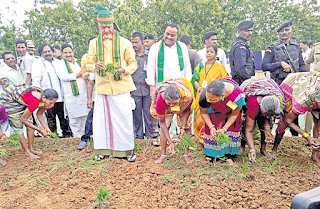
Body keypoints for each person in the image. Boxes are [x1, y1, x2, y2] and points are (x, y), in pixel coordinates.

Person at [86, 5, 137, 162]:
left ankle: (127, 151)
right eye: (103, 27)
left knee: (124, 119)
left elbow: (133, 64)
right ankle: (102, 150)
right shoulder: (94, 43)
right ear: (98, 27)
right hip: (102, 88)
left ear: (113, 25)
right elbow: (87, 64)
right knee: (102, 121)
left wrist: (124, 69)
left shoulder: (125, 43)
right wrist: (95, 67)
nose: (106, 30)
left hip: (122, 87)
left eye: (108, 26)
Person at [146, 24, 192, 143]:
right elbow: (150, 68)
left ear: (177, 35)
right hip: (162, 87)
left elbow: (187, 66)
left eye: (172, 35)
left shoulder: (182, 47)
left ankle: (181, 140)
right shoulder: (155, 47)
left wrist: (188, 85)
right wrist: (151, 87)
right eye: (167, 34)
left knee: (183, 114)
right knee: (165, 116)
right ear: (164, 33)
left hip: (180, 87)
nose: (169, 37)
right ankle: (166, 141)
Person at [271, 72, 320, 166]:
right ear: (316, 102)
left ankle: (314, 155)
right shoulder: (304, 99)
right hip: (292, 87)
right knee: (283, 123)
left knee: (318, 124)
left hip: (311, 85)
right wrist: (306, 136)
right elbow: (288, 121)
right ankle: (274, 149)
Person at [0, 85, 58, 159]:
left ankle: (31, 148)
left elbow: (39, 114)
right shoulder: (35, 101)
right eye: (50, 103)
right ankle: (27, 152)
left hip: (22, 99)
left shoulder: (45, 97)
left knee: (30, 123)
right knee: (18, 127)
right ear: (43, 98)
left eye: (54, 103)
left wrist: (45, 127)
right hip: (9, 100)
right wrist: (40, 130)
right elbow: (23, 120)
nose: (52, 105)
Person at [199, 79, 245, 166]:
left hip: (230, 114)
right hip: (214, 112)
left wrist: (224, 128)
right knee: (214, 134)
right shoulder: (205, 96)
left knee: (229, 132)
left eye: (212, 100)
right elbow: (203, 112)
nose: (208, 101)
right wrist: (211, 126)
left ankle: (229, 156)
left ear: (222, 96)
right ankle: (214, 155)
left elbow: (234, 115)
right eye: (208, 98)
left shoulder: (236, 96)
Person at [239, 77, 286, 161]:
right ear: (261, 108)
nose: (268, 117)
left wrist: (267, 127)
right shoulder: (253, 104)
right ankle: (242, 145)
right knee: (246, 124)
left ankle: (263, 149)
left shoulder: (277, 102)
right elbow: (248, 130)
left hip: (268, 89)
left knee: (265, 127)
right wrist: (252, 149)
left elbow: (268, 117)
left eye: (271, 114)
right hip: (250, 92)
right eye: (267, 114)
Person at [32, 43, 72, 138]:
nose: (47, 53)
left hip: (60, 96)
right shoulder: (38, 63)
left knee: (63, 117)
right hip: (48, 97)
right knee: (51, 117)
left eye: (49, 51)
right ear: (41, 53)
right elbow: (36, 80)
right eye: (44, 52)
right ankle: (52, 136)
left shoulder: (58, 62)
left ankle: (67, 135)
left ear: (52, 51)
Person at [191, 44, 227, 145]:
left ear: (216, 54)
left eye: (211, 52)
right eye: (207, 52)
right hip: (201, 94)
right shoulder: (200, 65)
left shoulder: (219, 66)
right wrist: (198, 88)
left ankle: (213, 137)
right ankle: (200, 138)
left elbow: (224, 80)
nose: (209, 54)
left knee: (213, 115)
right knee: (200, 115)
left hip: (215, 95)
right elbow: (194, 79)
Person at [151, 79, 194, 164]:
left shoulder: (186, 97)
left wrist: (182, 127)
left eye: (174, 103)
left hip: (183, 106)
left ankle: (186, 154)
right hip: (165, 107)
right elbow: (162, 123)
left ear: (179, 98)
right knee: (165, 128)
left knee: (187, 128)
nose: (172, 106)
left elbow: (187, 111)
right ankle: (163, 154)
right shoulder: (160, 100)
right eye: (169, 103)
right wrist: (170, 141)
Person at [58, 44, 88, 138]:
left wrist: (85, 75)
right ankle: (77, 138)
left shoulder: (79, 63)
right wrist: (79, 74)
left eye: (70, 52)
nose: (68, 55)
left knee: (85, 118)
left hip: (84, 95)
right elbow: (64, 77)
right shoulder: (60, 64)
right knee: (74, 120)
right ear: (62, 54)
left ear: (73, 52)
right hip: (71, 97)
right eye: (65, 53)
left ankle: (85, 137)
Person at [131, 32, 153, 140]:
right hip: (134, 89)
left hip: (148, 89)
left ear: (142, 42)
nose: (134, 45)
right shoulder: (130, 56)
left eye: (136, 42)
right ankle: (139, 137)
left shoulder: (149, 55)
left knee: (148, 114)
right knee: (137, 114)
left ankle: (150, 136)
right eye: (132, 42)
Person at [78, 37, 96, 150]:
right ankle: (85, 139)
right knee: (91, 117)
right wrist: (89, 99)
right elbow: (90, 82)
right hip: (97, 95)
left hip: (112, 95)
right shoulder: (92, 62)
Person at [229, 21, 255, 85]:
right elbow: (240, 69)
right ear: (239, 32)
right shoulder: (240, 47)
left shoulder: (243, 45)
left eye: (251, 31)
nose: (250, 33)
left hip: (242, 80)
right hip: (241, 81)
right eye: (247, 31)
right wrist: (249, 81)